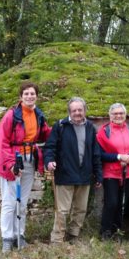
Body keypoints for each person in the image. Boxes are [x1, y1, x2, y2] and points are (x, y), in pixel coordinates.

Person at [0, 82, 51, 253]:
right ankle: (7, 238)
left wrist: (63, 128)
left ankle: (20, 235)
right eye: (26, 94)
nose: (29, 96)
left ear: (36, 96)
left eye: (32, 94)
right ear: (21, 97)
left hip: (30, 159)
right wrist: (11, 164)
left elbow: (46, 133)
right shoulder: (11, 116)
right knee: (10, 202)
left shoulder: (38, 115)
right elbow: (1, 141)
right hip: (13, 160)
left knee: (23, 202)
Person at [44, 97, 102, 244]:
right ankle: (57, 238)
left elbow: (95, 153)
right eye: (74, 110)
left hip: (85, 175)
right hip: (65, 173)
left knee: (80, 209)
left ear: (84, 111)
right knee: (62, 210)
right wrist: (49, 161)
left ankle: (73, 234)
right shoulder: (60, 126)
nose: (77, 112)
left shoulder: (90, 127)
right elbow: (50, 147)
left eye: (80, 110)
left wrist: (98, 175)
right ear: (69, 111)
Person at [96, 103, 129, 240]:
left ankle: (117, 230)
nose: (118, 116)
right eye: (115, 113)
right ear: (110, 116)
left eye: (121, 113)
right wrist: (118, 157)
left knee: (123, 203)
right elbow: (101, 154)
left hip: (128, 172)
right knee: (112, 202)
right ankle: (105, 230)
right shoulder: (104, 132)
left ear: (125, 115)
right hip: (111, 173)